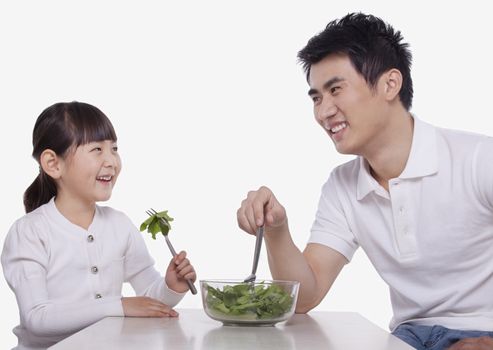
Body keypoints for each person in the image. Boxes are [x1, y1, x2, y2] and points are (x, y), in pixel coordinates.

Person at [237, 13, 493, 350]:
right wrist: (277, 228)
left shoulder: (478, 159)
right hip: (408, 337)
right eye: (316, 97)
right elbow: (304, 297)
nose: (323, 112)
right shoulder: (342, 186)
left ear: (390, 84)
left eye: (336, 90)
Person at [1, 102, 196, 350]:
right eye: (97, 149)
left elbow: (149, 299)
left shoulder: (119, 225)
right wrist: (119, 306)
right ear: (53, 163)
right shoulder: (29, 232)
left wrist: (170, 287)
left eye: (114, 149)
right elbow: (37, 318)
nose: (111, 161)